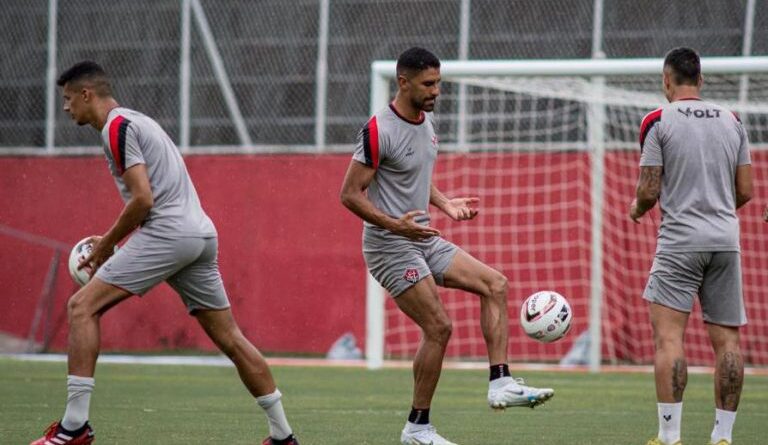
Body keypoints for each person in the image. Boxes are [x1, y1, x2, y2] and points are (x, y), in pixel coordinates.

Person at [31, 61, 299, 445]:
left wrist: (106, 245)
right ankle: (283, 436)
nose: (66, 107)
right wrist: (113, 239)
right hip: (200, 235)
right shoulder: (137, 120)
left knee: (81, 308)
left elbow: (143, 199)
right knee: (231, 339)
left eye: (68, 98)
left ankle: (74, 428)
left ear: (87, 95)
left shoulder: (117, 128)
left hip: (169, 233)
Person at [340, 47, 554, 445]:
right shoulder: (377, 130)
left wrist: (445, 203)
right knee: (438, 327)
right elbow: (350, 194)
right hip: (389, 246)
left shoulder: (427, 121)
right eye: (428, 84)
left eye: (438, 83)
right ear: (403, 82)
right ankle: (417, 428)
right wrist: (395, 226)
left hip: (421, 237)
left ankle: (500, 383)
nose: (436, 91)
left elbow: (413, 172)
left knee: (496, 284)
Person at [630, 47, 752, 445]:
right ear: (701, 80)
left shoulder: (658, 120)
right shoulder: (732, 120)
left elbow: (649, 189)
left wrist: (636, 209)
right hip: (725, 241)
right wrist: (715, 210)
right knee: (728, 342)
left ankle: (669, 437)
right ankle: (723, 437)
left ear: (666, 80)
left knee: (669, 339)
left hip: (680, 241)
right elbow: (746, 191)